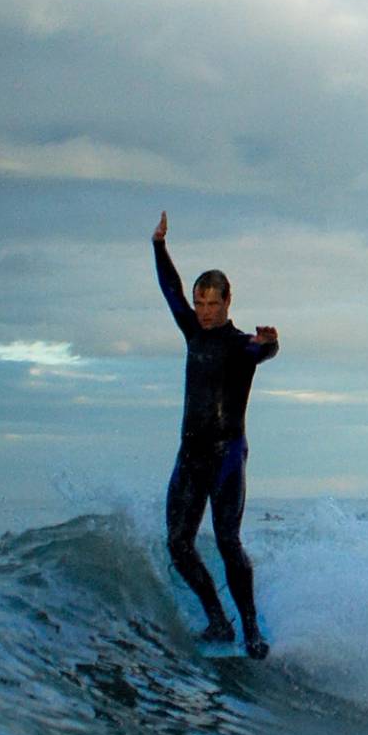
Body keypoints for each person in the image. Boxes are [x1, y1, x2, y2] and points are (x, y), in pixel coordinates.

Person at [153, 211, 278, 659]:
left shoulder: (242, 345)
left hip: (227, 456)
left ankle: (251, 631)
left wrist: (270, 342)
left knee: (228, 541)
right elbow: (170, 290)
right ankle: (217, 620)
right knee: (178, 544)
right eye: (199, 304)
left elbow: (264, 351)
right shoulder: (192, 333)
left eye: (213, 304)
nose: (204, 313)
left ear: (228, 302)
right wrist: (159, 246)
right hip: (190, 455)